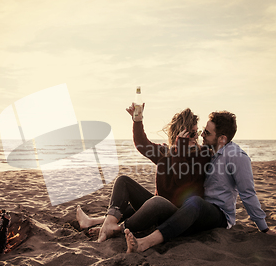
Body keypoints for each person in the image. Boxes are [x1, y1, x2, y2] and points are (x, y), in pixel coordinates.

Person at [125, 110, 276, 253]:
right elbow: (147, 146)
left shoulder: (236, 157)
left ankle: (146, 242)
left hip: (218, 214)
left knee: (195, 202)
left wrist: (264, 229)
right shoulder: (208, 153)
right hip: (193, 212)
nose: (201, 136)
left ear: (222, 138)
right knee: (184, 203)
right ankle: (114, 225)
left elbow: (248, 194)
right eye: (200, 132)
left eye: (206, 133)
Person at [76, 103, 211, 242]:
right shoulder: (165, 152)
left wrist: (181, 150)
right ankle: (108, 224)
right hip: (155, 210)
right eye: (193, 133)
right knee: (123, 181)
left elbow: (184, 181)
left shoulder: (203, 154)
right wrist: (137, 121)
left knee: (156, 202)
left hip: (178, 215)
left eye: (197, 132)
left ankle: (116, 228)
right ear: (179, 134)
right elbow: (142, 144)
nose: (197, 137)